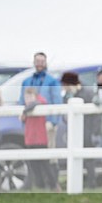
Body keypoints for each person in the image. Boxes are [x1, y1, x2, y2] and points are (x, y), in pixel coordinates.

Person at [18, 52, 62, 190]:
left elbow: (57, 102)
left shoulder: (52, 81)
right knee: (34, 156)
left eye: (42, 61)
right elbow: (21, 102)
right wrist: (23, 117)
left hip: (47, 124)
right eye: (37, 61)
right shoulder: (26, 82)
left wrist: (53, 122)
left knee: (49, 156)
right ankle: (40, 184)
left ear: (46, 62)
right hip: (31, 126)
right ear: (34, 62)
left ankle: (54, 184)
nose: (39, 64)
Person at [60, 71, 100, 188]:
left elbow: (94, 114)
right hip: (75, 129)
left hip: (88, 129)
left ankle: (92, 182)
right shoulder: (68, 95)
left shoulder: (87, 92)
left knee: (89, 157)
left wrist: (94, 130)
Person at [20, 86, 59, 191]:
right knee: (34, 165)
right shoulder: (26, 108)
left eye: (30, 96)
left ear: (35, 96)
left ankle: (53, 185)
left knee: (46, 164)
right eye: (26, 97)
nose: (28, 99)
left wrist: (24, 111)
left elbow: (38, 102)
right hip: (30, 139)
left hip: (40, 139)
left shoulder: (40, 103)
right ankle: (40, 185)